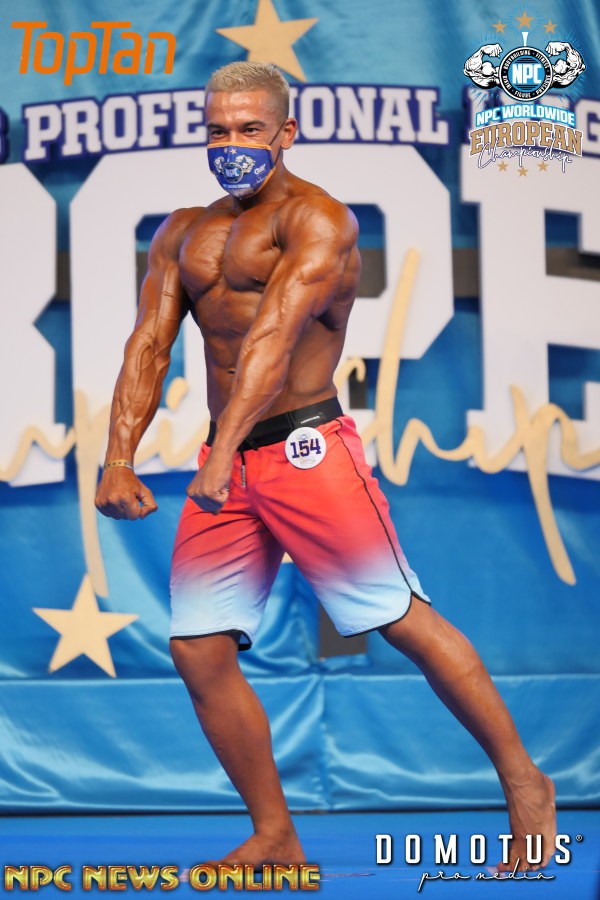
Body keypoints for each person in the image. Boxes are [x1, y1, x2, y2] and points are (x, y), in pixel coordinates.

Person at [95, 61, 556, 871]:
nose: (231, 144)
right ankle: (276, 835)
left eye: (249, 129)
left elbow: (273, 339)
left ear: (286, 132)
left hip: (306, 449)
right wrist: (118, 457)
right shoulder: (183, 232)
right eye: (217, 129)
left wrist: (225, 453)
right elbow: (148, 344)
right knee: (198, 647)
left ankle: (527, 782)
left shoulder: (319, 221)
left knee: (399, 617)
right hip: (226, 459)